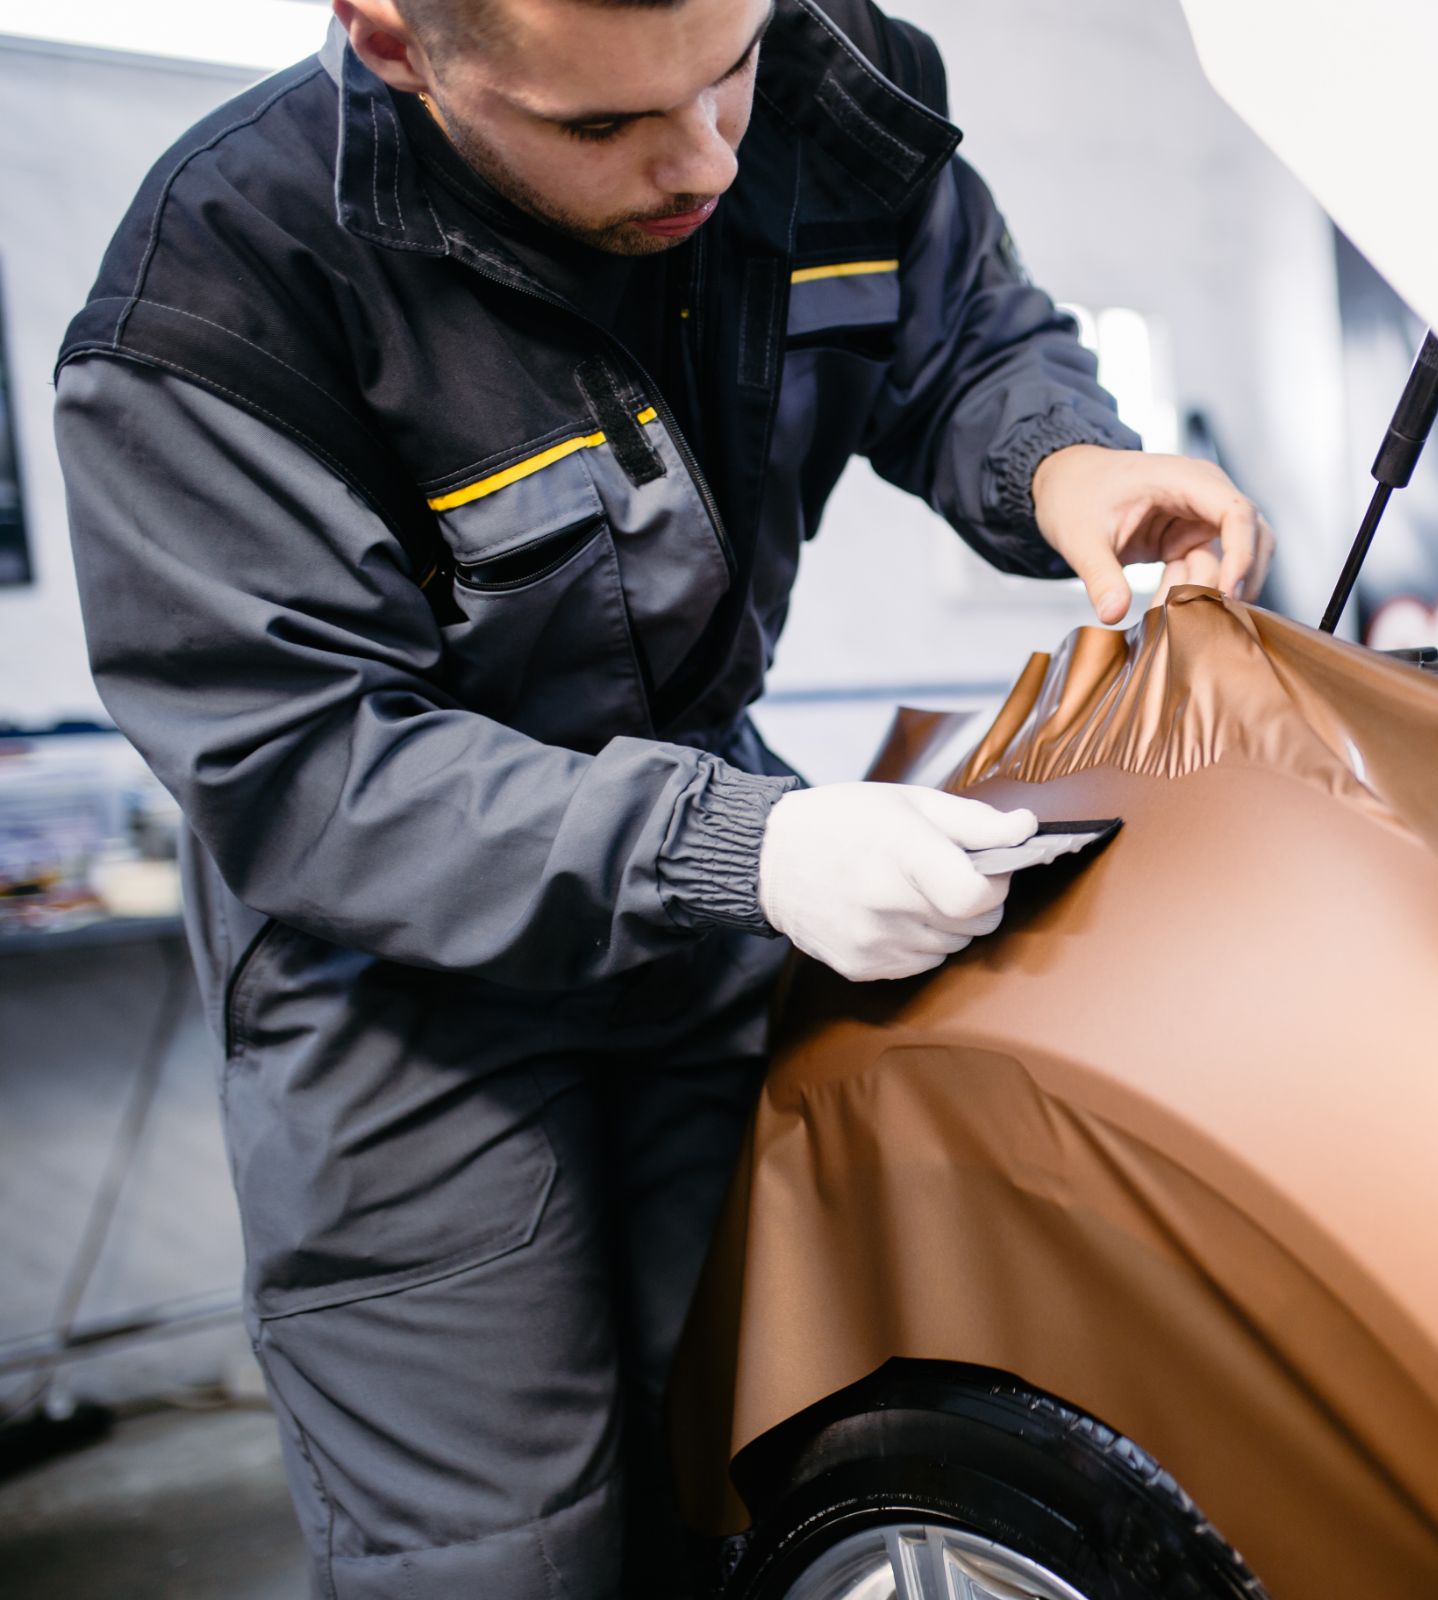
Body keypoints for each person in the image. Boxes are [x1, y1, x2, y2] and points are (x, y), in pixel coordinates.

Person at [52, 0, 1273, 1592]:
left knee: (764, 1455)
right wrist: (740, 846)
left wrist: (1062, 462)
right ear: (392, 40)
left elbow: (968, 333)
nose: (704, 157)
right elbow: (304, 763)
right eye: (599, 127)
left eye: (728, 71)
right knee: (504, 1557)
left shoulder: (833, 87)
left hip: (720, 894)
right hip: (404, 982)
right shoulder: (216, 297)